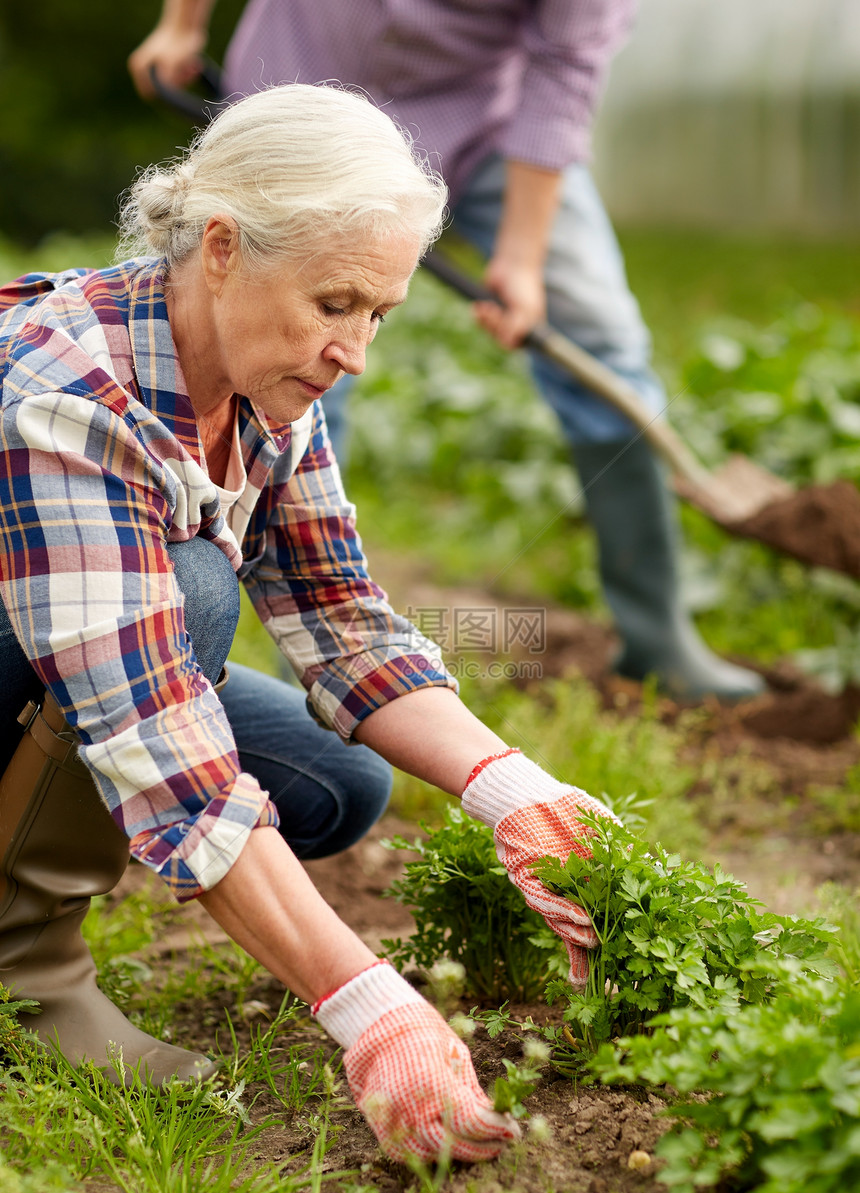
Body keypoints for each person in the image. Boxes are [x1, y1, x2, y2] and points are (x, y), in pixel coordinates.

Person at [1, 82, 621, 1165]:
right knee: (193, 590)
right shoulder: (67, 392)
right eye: (334, 304)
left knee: (336, 789)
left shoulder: (264, 378)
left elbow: (343, 620)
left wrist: (517, 794)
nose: (356, 351)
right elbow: (158, 739)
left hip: (61, 648)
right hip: (51, 649)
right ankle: (23, 971)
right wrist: (369, 1008)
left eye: (377, 313)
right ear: (223, 248)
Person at [128, 0, 765, 705]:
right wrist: (184, 23)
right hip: (303, 103)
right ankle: (313, 671)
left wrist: (523, 257)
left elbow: (565, 70)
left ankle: (659, 635)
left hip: (481, 123)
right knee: (295, 346)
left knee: (600, 331)